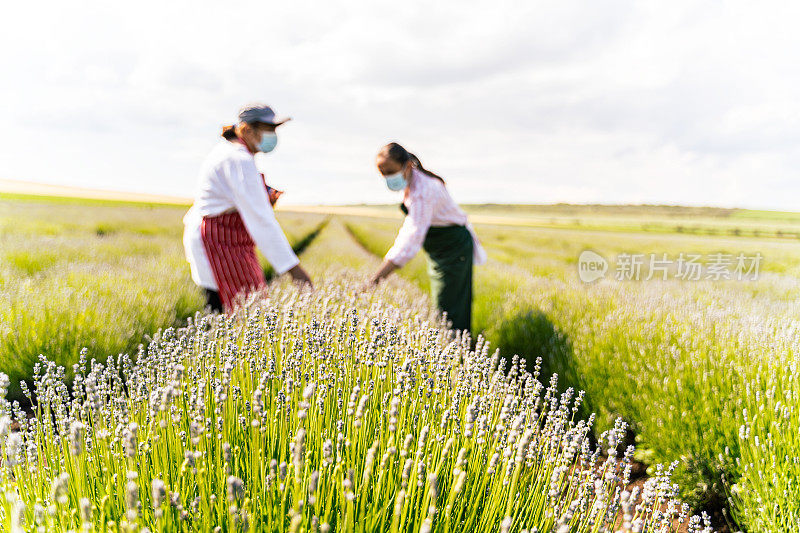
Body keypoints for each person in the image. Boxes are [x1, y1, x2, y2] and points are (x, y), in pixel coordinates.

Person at [183, 103, 312, 313]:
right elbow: (262, 221)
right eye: (268, 129)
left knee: (240, 307)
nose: (273, 135)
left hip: (225, 239)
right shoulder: (238, 159)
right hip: (220, 242)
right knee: (247, 310)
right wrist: (295, 271)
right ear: (247, 129)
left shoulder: (230, 153)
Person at [366, 142, 487, 332]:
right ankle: (455, 349)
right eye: (383, 173)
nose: (388, 178)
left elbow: (411, 239)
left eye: (390, 172)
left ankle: (459, 354)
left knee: (450, 310)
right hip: (441, 250)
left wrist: (376, 279)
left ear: (406, 166)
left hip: (453, 249)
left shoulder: (423, 191)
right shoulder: (413, 183)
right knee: (445, 304)